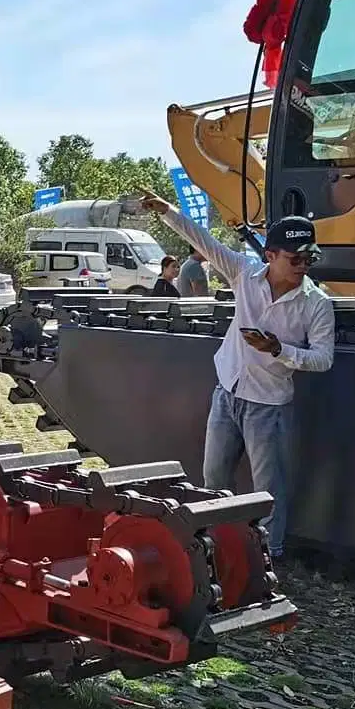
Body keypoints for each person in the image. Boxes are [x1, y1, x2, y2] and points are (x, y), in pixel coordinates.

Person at [138, 189, 336, 560]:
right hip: (227, 394)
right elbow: (204, 242)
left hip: (269, 406)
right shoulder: (244, 275)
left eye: (310, 256)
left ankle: (268, 557)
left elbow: (324, 358)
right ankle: (215, 550)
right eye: (296, 257)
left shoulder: (316, 304)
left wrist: (278, 350)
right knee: (213, 481)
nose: (304, 264)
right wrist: (166, 211)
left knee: (267, 490)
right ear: (270, 256)